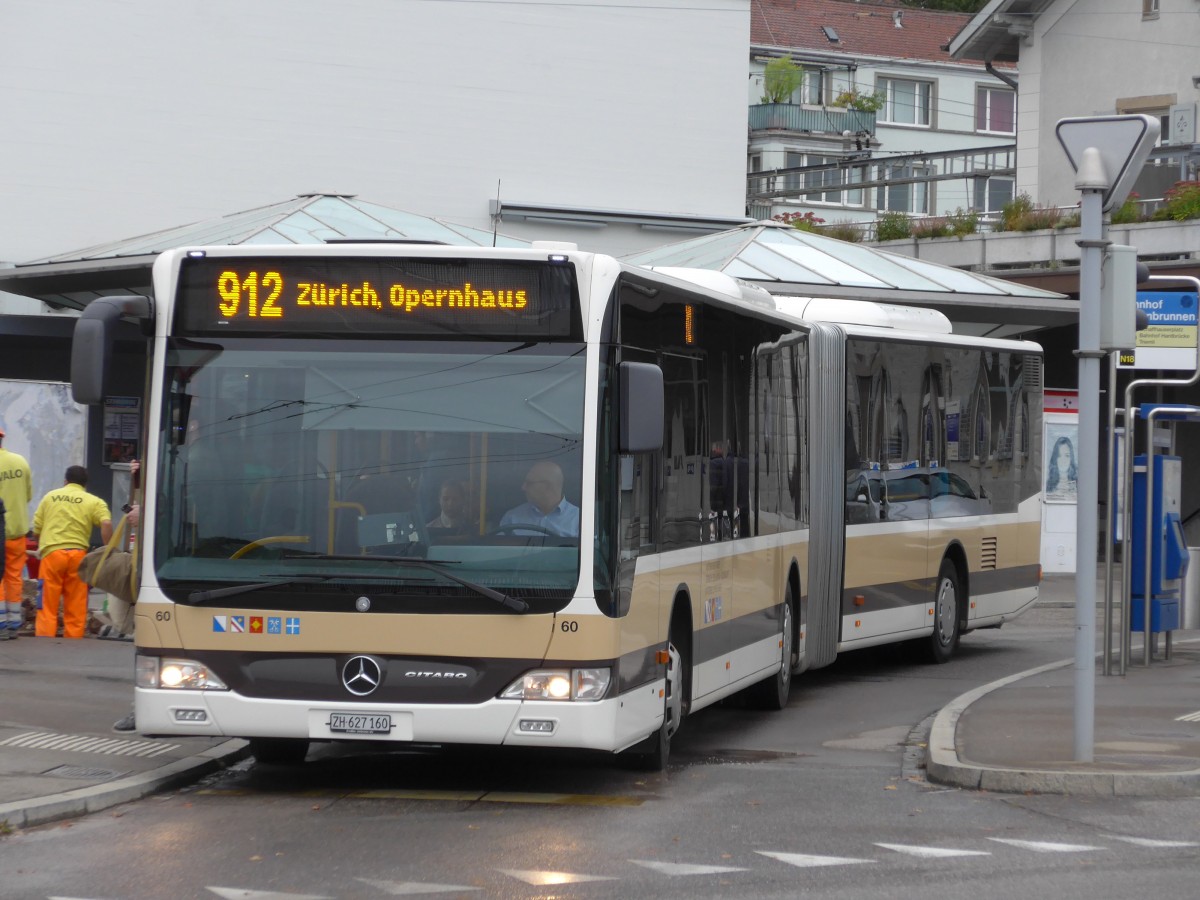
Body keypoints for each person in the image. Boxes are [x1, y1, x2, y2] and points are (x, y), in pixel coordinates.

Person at [31, 466, 112, 639]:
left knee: (47, 604)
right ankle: (73, 642)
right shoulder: (93, 501)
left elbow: (37, 528)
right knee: (76, 604)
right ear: (85, 484)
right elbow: (106, 524)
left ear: (65, 481)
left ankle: (44, 641)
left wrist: (41, 544)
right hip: (78, 557)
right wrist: (108, 551)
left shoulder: (50, 497)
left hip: (52, 555)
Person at [0, 428, 32, 639]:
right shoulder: (20, 462)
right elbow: (28, 495)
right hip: (18, 531)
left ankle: (1, 622)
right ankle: (13, 623)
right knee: (13, 576)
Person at [499, 461, 580, 537]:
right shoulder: (512, 518)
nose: (523, 488)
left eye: (529, 483)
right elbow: (498, 550)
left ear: (548, 486)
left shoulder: (580, 520)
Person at [1045, 435, 1077, 500]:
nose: (1063, 460)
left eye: (1067, 456)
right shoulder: (1049, 485)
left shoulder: (1078, 484)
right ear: (1055, 459)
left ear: (1071, 458)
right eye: (1059, 456)